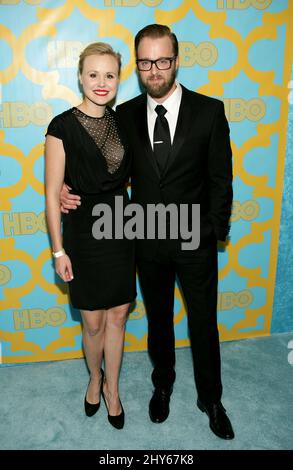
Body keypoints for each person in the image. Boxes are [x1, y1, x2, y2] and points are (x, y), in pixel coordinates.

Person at [61, 25, 234, 440]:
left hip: (195, 237)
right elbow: (102, 171)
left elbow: (220, 178)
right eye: (145, 62)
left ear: (176, 60)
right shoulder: (122, 116)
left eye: (162, 60)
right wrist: (68, 190)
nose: (153, 69)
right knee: (158, 319)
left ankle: (211, 398)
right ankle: (163, 384)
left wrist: (213, 230)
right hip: (145, 237)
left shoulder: (209, 111)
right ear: (137, 65)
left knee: (203, 322)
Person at [45, 42, 136, 430]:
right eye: (93, 74)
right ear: (80, 77)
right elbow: (52, 193)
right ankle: (94, 378)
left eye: (110, 75)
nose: (102, 82)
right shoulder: (61, 126)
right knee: (93, 323)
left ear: (118, 79)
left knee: (118, 316)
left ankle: (113, 388)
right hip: (82, 232)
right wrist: (58, 251)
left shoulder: (126, 121)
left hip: (122, 227)